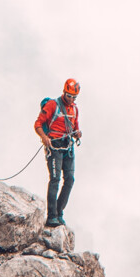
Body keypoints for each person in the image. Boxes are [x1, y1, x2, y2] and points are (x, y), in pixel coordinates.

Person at [34, 78, 82, 227]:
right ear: (64, 92)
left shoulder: (74, 109)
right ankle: (52, 216)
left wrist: (77, 134)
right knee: (55, 179)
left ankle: (59, 212)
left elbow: (74, 127)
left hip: (67, 146)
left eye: (74, 97)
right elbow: (38, 124)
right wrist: (44, 137)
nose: (71, 99)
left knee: (70, 179)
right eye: (69, 96)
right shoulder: (52, 105)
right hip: (54, 145)